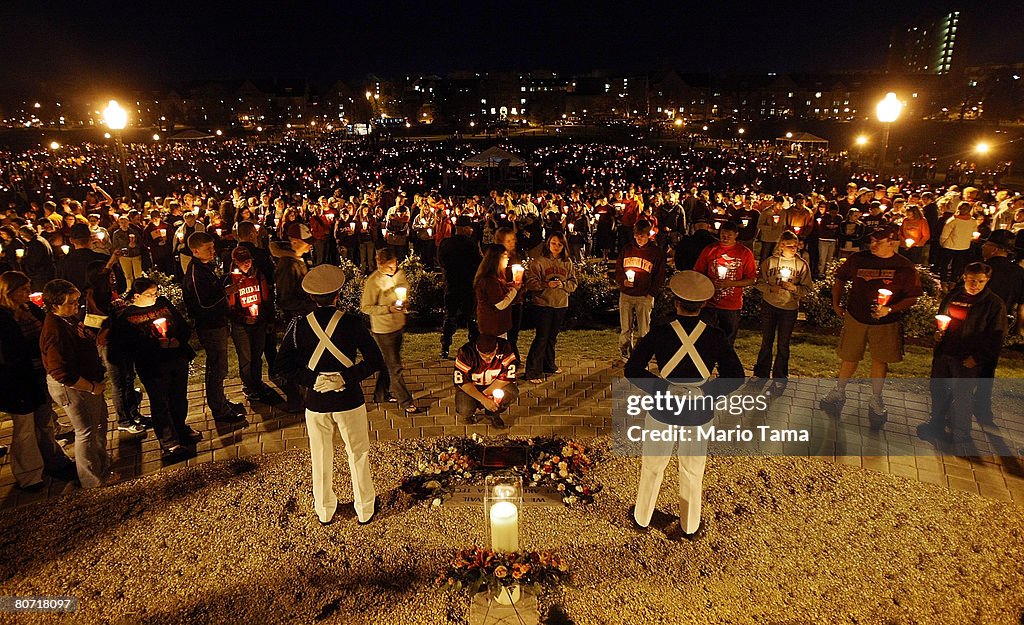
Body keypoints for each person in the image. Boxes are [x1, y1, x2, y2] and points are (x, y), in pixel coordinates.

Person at [625, 271, 744, 539]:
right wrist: (708, 393)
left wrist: (661, 387)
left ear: (676, 301)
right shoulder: (715, 336)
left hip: (663, 406)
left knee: (653, 464)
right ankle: (690, 525)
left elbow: (632, 369)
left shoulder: (660, 333)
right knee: (692, 468)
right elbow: (735, 376)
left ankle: (642, 517)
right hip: (698, 410)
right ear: (702, 305)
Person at [276, 265, 386, 526]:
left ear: (312, 297)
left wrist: (314, 380)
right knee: (358, 454)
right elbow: (375, 360)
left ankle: (324, 509)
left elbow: (281, 367)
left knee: (321, 455)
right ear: (338, 294)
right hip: (349, 399)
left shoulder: (298, 326)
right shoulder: (351, 322)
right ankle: (364, 508)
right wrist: (344, 377)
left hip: (316, 402)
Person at [819, 225, 923, 429]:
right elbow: (840, 278)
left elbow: (912, 297)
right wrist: (836, 303)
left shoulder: (904, 267)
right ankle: (839, 391)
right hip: (856, 316)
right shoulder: (859, 259)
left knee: (880, 359)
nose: (873, 245)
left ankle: (876, 398)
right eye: (872, 240)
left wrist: (890, 309)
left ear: (892, 243)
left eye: (879, 241)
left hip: (885, 323)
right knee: (849, 356)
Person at [919, 262, 1007, 453]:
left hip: (968, 357)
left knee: (961, 396)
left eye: (980, 281)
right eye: (971, 280)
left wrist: (977, 358)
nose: (974, 285)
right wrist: (938, 334)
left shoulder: (993, 304)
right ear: (964, 277)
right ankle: (937, 424)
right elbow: (943, 316)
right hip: (946, 352)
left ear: (987, 280)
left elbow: (997, 336)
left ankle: (960, 434)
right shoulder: (954, 296)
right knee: (939, 389)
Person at [39, 279, 119, 488]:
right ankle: (91, 479)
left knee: (99, 423)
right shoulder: (54, 331)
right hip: (74, 388)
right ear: (55, 305)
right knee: (85, 431)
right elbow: (59, 371)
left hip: (87, 381)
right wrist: (91, 387)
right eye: (71, 303)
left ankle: (101, 464)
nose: (76, 307)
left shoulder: (68, 320)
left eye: (77, 302)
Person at [0, 272, 76, 490]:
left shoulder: (30, 309)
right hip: (17, 380)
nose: (28, 292)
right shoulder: (3, 317)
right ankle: (28, 475)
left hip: (39, 373)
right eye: (23, 289)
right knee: (24, 428)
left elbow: (46, 332)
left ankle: (53, 461)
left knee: (45, 422)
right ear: (9, 292)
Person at [110, 279, 201, 460]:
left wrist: (178, 340)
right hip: (152, 365)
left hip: (176, 358)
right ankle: (169, 442)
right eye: (150, 294)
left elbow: (183, 326)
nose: (154, 297)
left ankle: (180, 428)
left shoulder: (163, 304)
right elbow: (127, 345)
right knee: (160, 402)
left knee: (179, 398)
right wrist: (154, 344)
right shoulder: (127, 317)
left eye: (156, 293)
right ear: (136, 296)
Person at [182, 232, 246, 423]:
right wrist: (228, 292)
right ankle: (219, 409)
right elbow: (203, 305)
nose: (212, 251)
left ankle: (221, 401)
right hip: (210, 327)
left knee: (219, 367)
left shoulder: (205, 268)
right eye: (207, 248)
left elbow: (214, 289)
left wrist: (227, 278)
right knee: (217, 368)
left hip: (218, 323)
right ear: (195, 251)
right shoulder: (195, 274)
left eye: (212, 247)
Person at [359, 248, 421, 414]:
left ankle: (380, 394)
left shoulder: (399, 274)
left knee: (388, 363)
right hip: (383, 330)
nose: (393, 269)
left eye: (394, 265)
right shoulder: (373, 281)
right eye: (389, 267)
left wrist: (404, 302)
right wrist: (388, 309)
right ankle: (405, 401)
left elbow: (404, 291)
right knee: (395, 367)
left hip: (398, 325)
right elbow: (365, 307)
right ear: (379, 264)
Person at [752, 232, 811, 386]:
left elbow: (807, 288)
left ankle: (780, 376)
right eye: (790, 245)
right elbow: (758, 283)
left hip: (789, 308)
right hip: (769, 306)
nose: (794, 248)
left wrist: (794, 288)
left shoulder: (802, 265)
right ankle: (761, 374)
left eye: (796, 245)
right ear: (782, 245)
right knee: (767, 341)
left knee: (783, 343)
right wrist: (771, 288)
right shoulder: (770, 262)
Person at [226, 245, 280, 404]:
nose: (246, 264)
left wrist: (268, 319)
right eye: (243, 262)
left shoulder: (258, 276)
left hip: (259, 322)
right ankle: (249, 386)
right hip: (242, 325)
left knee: (257, 356)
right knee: (246, 358)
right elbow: (229, 307)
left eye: (248, 260)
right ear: (235, 262)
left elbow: (266, 299)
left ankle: (257, 383)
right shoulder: (231, 280)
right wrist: (243, 319)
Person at [523, 232, 577, 384]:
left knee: (552, 337)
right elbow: (531, 283)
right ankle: (533, 370)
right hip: (543, 304)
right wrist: (546, 284)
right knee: (542, 337)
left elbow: (573, 283)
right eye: (553, 243)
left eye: (560, 244)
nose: (556, 247)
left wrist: (564, 285)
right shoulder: (539, 262)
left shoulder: (567, 263)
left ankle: (548, 365)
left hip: (560, 304)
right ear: (548, 244)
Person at [692, 221, 757, 346]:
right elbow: (698, 273)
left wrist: (731, 283)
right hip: (709, 303)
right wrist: (709, 282)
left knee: (727, 340)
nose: (725, 238)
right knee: (705, 339)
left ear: (736, 235)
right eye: (723, 235)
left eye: (729, 236)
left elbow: (751, 279)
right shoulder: (710, 250)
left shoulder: (744, 253)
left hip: (731, 306)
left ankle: (725, 364)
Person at [615, 219, 667, 361]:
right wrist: (622, 281)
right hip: (626, 294)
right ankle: (624, 353)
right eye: (637, 235)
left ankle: (641, 354)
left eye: (642, 236)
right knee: (626, 327)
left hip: (644, 296)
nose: (639, 239)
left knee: (643, 329)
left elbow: (660, 275)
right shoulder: (627, 249)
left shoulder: (655, 253)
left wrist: (651, 293)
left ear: (648, 235)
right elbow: (618, 269)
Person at [438, 215, 482, 358]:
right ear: (464, 228)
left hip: (451, 285)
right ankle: (474, 346)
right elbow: (479, 263)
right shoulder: (471, 245)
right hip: (468, 286)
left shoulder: (445, 243)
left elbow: (441, 261)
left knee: (450, 316)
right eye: (469, 228)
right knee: (472, 318)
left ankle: (445, 347)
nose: (471, 231)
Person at [454, 333, 518, 428]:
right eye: (483, 355)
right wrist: (483, 399)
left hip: (494, 385)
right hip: (472, 388)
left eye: (491, 355)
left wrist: (487, 396)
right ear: (476, 348)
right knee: (464, 408)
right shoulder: (466, 352)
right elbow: (462, 382)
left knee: (511, 392)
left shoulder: (505, 348)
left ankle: (492, 413)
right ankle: (469, 415)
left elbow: (507, 376)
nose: (487, 359)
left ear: (496, 347)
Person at [474, 244, 523, 339]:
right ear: (495, 258)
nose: (508, 258)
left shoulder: (497, 278)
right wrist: (514, 290)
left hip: (498, 324)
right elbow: (500, 303)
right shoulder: (489, 280)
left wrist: (511, 286)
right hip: (492, 325)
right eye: (504, 256)